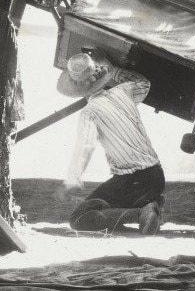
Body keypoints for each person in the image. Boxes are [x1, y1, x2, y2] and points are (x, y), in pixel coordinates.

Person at [55, 49, 165, 235]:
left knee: (79, 217)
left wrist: (72, 180)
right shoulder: (124, 92)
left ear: (78, 89)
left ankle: (141, 214)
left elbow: (85, 147)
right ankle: (150, 206)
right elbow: (143, 82)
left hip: (130, 181)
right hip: (156, 177)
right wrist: (113, 70)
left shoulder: (89, 112)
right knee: (105, 198)